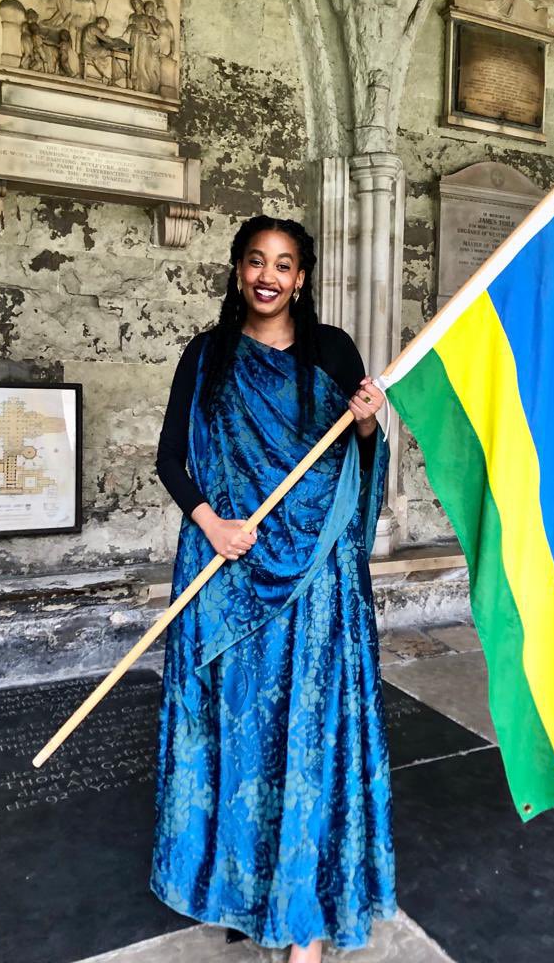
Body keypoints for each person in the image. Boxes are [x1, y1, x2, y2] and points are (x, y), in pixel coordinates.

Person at [150, 215, 397, 961]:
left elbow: (361, 463)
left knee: (310, 736)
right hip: (228, 573)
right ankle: (249, 887)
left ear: (301, 277)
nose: (269, 275)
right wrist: (213, 524)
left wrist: (364, 424)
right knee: (240, 738)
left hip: (316, 584)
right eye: (256, 261)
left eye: (285, 265)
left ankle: (307, 923)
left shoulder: (333, 350)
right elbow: (171, 459)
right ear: (236, 271)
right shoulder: (206, 355)